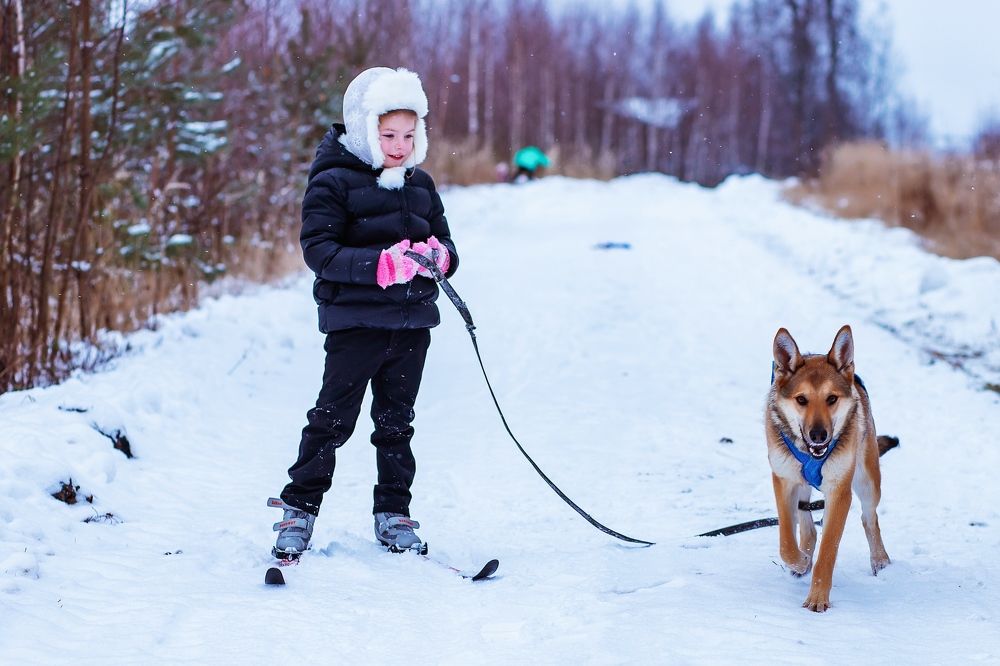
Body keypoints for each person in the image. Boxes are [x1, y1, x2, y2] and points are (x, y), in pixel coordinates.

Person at [268, 67, 459, 559]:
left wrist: (442, 259)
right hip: (355, 324)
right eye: (387, 133)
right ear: (361, 128)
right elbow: (320, 251)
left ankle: (393, 513)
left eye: (409, 135)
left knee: (397, 424)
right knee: (332, 421)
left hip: (412, 325)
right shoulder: (333, 181)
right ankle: (299, 510)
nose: (399, 145)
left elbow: (447, 242)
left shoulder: (421, 184)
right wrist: (381, 265)